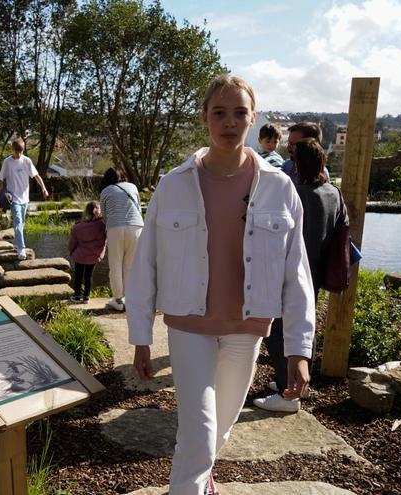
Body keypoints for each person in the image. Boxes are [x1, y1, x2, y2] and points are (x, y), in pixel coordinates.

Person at [125, 74, 316, 494]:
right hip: (188, 325)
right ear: (205, 118)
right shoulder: (174, 184)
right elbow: (146, 264)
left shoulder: (279, 188)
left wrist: (299, 350)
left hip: (245, 330)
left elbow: (296, 272)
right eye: (219, 113)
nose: (229, 122)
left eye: (239, 113)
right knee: (198, 432)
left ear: (253, 118)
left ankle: (203, 478)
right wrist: (140, 336)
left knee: (220, 428)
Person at [255, 138, 346, 412]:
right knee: (306, 323)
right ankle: (298, 382)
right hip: (317, 267)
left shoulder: (299, 195)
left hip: (293, 268)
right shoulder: (333, 193)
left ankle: (288, 393)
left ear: (297, 163)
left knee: (278, 330)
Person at [99, 167, 144, 312]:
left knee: (115, 265)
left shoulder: (105, 191)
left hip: (115, 228)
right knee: (130, 266)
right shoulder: (132, 187)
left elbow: (105, 216)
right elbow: (138, 207)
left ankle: (118, 300)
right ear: (123, 175)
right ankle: (130, 298)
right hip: (137, 226)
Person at [0, 137, 49, 260]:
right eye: (17, 151)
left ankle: (17, 244)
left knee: (22, 224)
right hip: (13, 199)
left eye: (21, 151)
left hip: (25, 199)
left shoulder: (27, 161)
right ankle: (21, 250)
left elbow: (36, 176)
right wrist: (3, 192)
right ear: (12, 149)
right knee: (18, 224)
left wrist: (44, 188)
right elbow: (0, 179)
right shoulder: (7, 162)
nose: (19, 154)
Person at [68, 201, 107, 303]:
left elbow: (72, 243)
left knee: (78, 276)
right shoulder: (102, 226)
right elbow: (103, 243)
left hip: (80, 256)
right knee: (89, 276)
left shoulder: (78, 227)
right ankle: (86, 296)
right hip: (93, 257)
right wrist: (100, 255)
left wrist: (71, 252)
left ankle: (77, 295)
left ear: (86, 212)